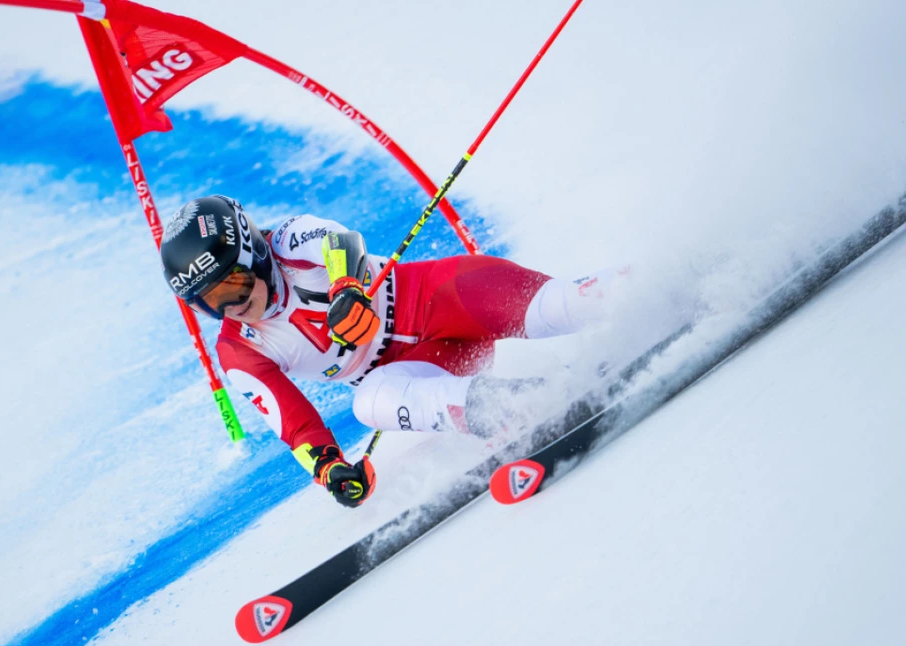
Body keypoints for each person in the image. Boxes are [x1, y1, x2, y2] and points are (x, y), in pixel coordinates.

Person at [160, 195, 610, 509]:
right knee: (369, 402)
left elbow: (341, 242)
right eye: (212, 302)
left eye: (234, 284)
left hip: (450, 298)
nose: (234, 306)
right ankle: (520, 406)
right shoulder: (240, 349)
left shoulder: (288, 241)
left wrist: (347, 290)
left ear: (254, 251)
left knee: (565, 305)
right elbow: (293, 423)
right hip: (424, 370)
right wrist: (331, 470)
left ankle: (658, 281)